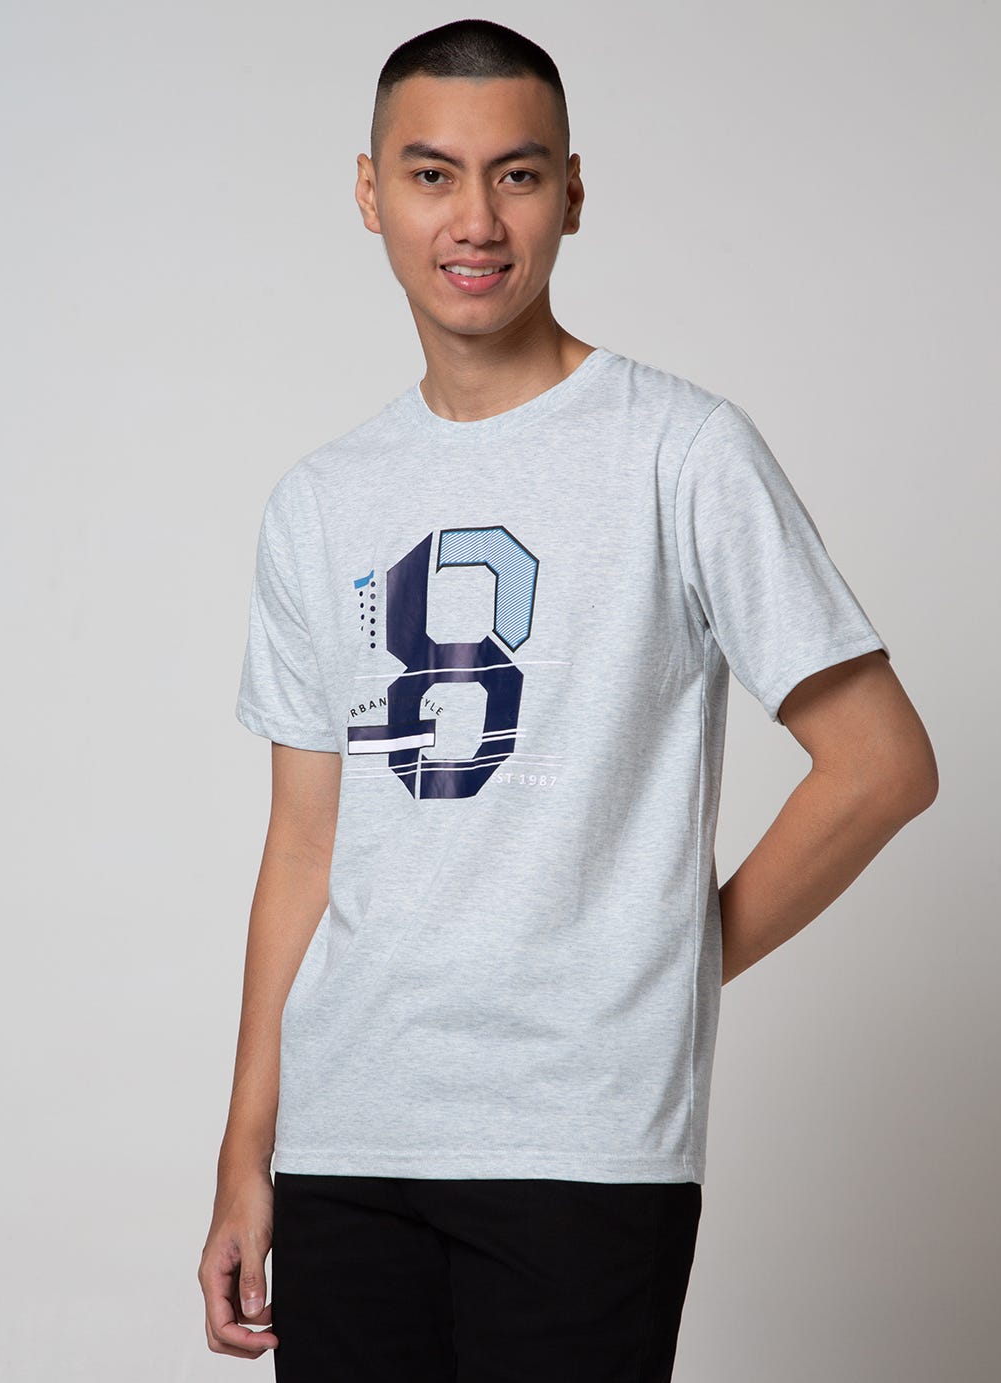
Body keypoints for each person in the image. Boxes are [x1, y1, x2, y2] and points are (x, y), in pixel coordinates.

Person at [197, 17, 938, 1381]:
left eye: (518, 175)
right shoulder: (320, 500)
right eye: (431, 175)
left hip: (579, 1143)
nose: (475, 220)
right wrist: (249, 1151)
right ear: (370, 193)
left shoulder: (681, 452)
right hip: (350, 1140)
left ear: (573, 193)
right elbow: (304, 844)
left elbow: (881, 764)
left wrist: (668, 965)